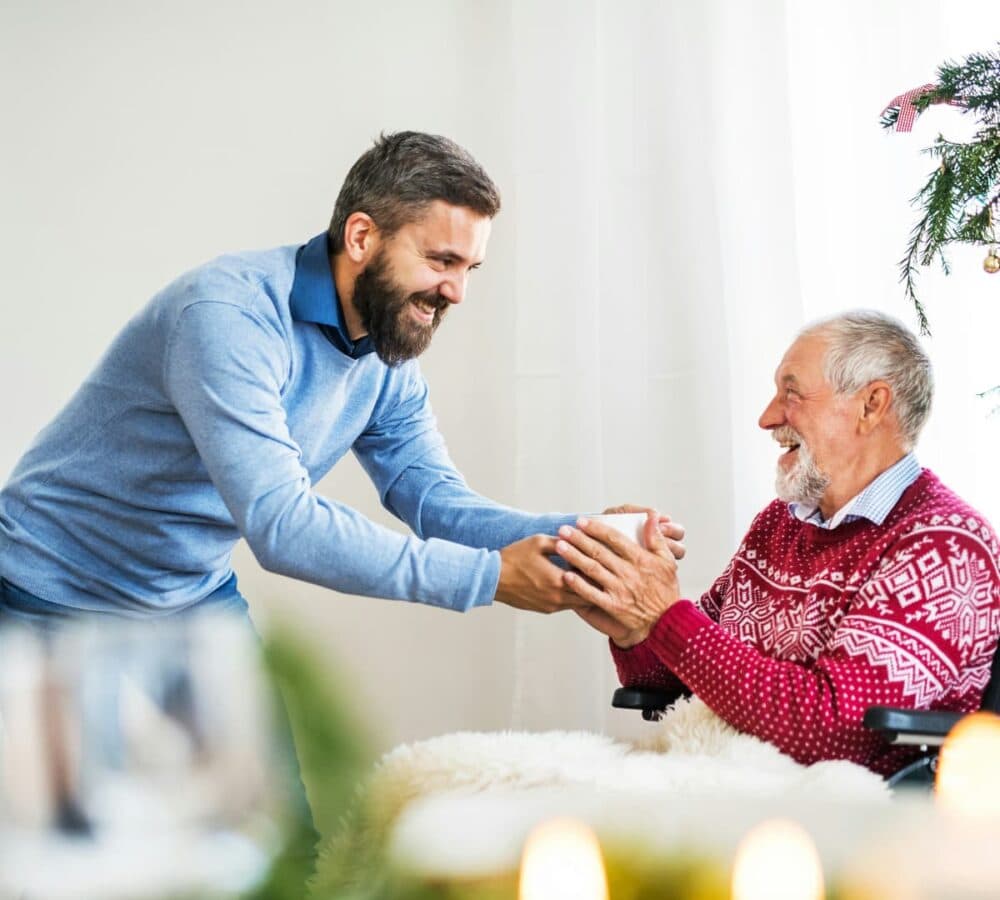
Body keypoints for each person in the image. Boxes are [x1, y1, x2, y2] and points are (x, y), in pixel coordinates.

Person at [0, 130, 684, 626]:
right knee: (70, 826)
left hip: (187, 596)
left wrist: (585, 536)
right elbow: (284, 526)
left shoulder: (386, 352)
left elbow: (433, 501)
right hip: (48, 590)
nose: (456, 293)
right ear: (361, 238)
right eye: (442, 260)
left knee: (280, 828)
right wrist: (490, 578)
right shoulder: (227, 317)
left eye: (469, 270)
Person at [555, 311, 1000, 775]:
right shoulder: (780, 524)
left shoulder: (945, 545)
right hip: (731, 779)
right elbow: (671, 678)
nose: (767, 418)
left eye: (792, 393)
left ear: (871, 406)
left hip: (861, 813)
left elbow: (833, 730)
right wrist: (630, 619)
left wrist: (663, 615)